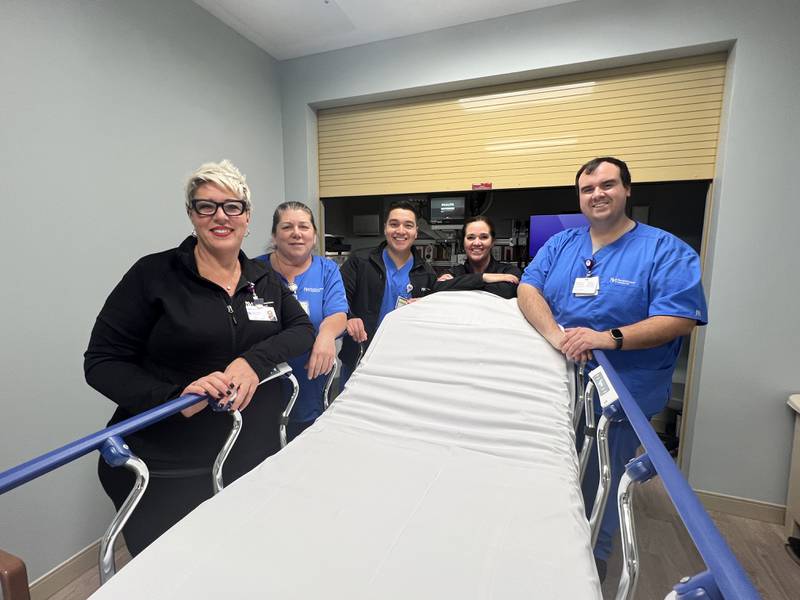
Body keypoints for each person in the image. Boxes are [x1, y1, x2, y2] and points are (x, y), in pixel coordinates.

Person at [84, 160, 315, 555]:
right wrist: (173, 397)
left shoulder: (262, 278)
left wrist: (251, 362)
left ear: (247, 216)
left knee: (237, 560)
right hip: (167, 466)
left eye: (232, 206)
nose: (220, 216)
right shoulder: (153, 275)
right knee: (176, 571)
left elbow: (301, 330)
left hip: (246, 456)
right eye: (206, 206)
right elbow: (102, 362)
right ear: (192, 215)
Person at [516, 156, 708, 581]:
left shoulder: (665, 250)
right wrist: (555, 336)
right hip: (560, 378)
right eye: (588, 189)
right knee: (555, 467)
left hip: (624, 390)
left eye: (607, 185)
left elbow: (680, 318)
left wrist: (608, 338)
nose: (597, 194)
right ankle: (543, 548)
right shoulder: (562, 244)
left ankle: (588, 567)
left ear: (627, 190)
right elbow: (528, 288)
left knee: (600, 477)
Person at [255, 201, 348, 442]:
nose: (296, 233)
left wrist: (326, 337)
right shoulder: (253, 270)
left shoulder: (327, 269)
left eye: (304, 227)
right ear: (275, 236)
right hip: (262, 384)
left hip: (309, 382)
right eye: (287, 227)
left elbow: (338, 314)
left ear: (314, 236)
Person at [339, 200, 436, 389]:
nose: (400, 231)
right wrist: (349, 318)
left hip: (404, 361)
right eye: (394, 224)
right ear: (385, 228)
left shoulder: (426, 273)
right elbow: (338, 299)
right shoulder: (360, 261)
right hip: (360, 354)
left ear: (416, 232)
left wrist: (425, 306)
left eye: (408, 225)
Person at [433, 215, 521, 298]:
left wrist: (458, 283)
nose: (477, 243)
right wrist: (483, 277)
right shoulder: (453, 272)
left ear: (493, 242)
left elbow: (506, 291)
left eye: (484, 237)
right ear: (463, 242)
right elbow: (438, 287)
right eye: (471, 237)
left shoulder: (508, 271)